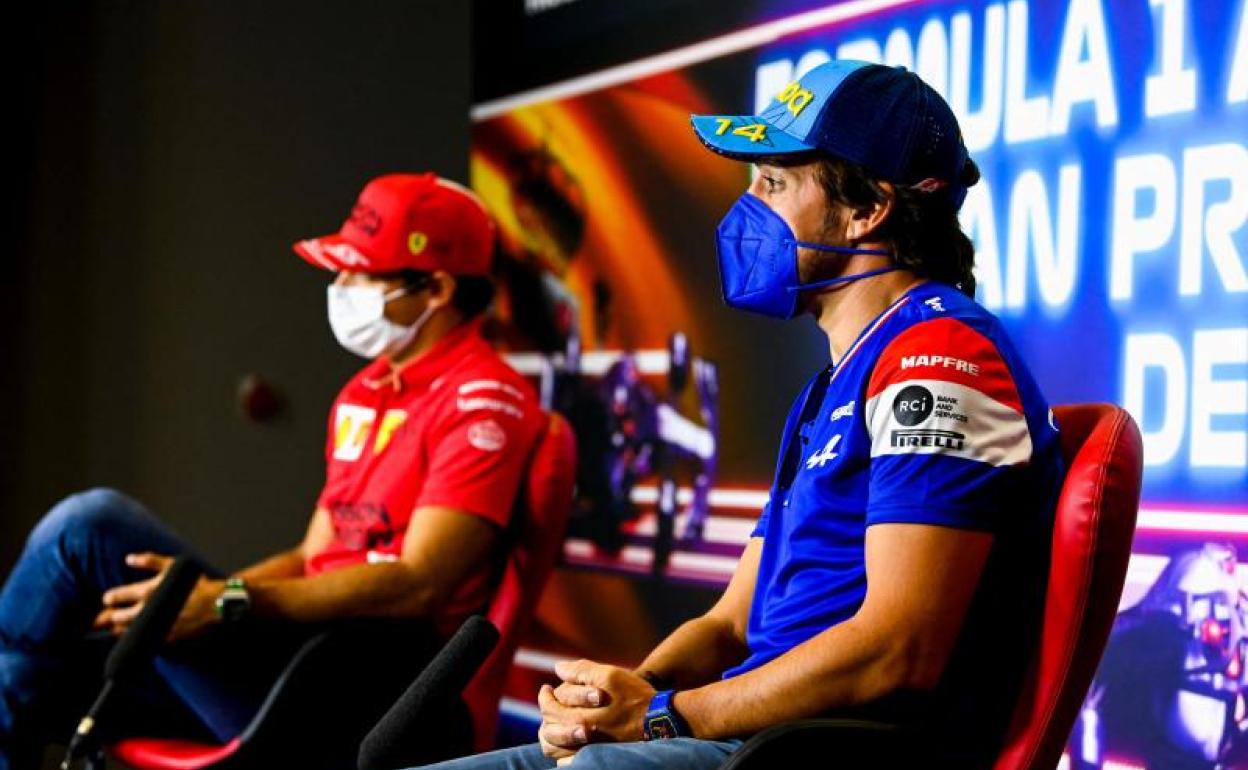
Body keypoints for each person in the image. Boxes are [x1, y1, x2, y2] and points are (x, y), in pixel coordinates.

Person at [413, 60, 1065, 770]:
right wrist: (625, 698)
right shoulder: (834, 384)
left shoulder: (939, 356)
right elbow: (729, 623)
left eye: (775, 183)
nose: (747, 208)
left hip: (826, 750)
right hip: (752, 734)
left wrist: (661, 720)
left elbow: (898, 650)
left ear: (868, 207)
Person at [0, 173, 547, 769]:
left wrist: (231, 601)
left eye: (358, 272)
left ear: (436, 287)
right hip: (297, 654)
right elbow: (311, 553)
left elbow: (420, 583)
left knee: (90, 525)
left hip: (359, 689)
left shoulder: (485, 402)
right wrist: (208, 600)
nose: (338, 286)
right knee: (43, 670)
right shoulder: (365, 392)